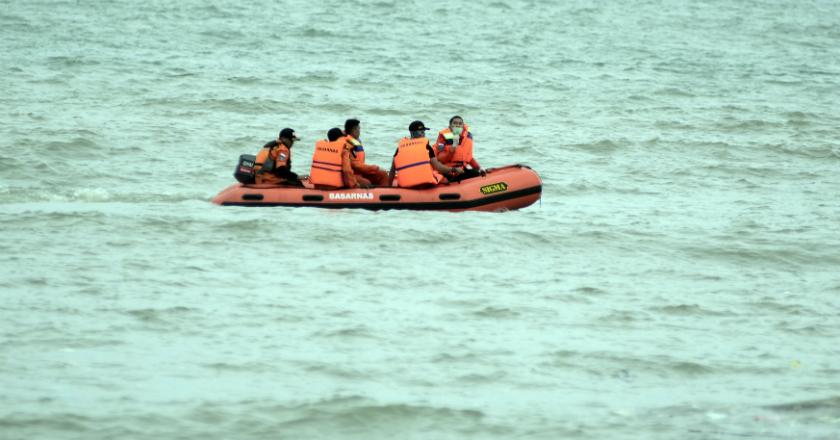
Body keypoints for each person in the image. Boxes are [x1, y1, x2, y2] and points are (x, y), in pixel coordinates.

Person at [387, 120, 463, 188]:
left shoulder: (400, 148)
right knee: (443, 179)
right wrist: (454, 169)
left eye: (423, 131)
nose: (423, 134)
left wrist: (389, 187)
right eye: (421, 131)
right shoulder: (426, 147)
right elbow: (438, 167)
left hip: (405, 185)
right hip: (424, 184)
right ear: (412, 133)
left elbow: (392, 171)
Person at [434, 115, 485, 182]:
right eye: (455, 123)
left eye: (460, 123)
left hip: (462, 170)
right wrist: (453, 146)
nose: (457, 125)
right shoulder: (443, 137)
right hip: (449, 171)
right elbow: (440, 158)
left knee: (478, 174)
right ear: (450, 126)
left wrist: (479, 168)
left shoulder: (467, 137)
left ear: (463, 126)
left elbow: (469, 157)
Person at [343, 118, 389, 186]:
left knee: (383, 174)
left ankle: (386, 194)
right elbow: (355, 165)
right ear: (354, 130)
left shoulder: (355, 142)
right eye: (359, 129)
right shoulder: (347, 144)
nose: (359, 131)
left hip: (359, 172)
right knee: (366, 183)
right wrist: (375, 168)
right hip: (352, 174)